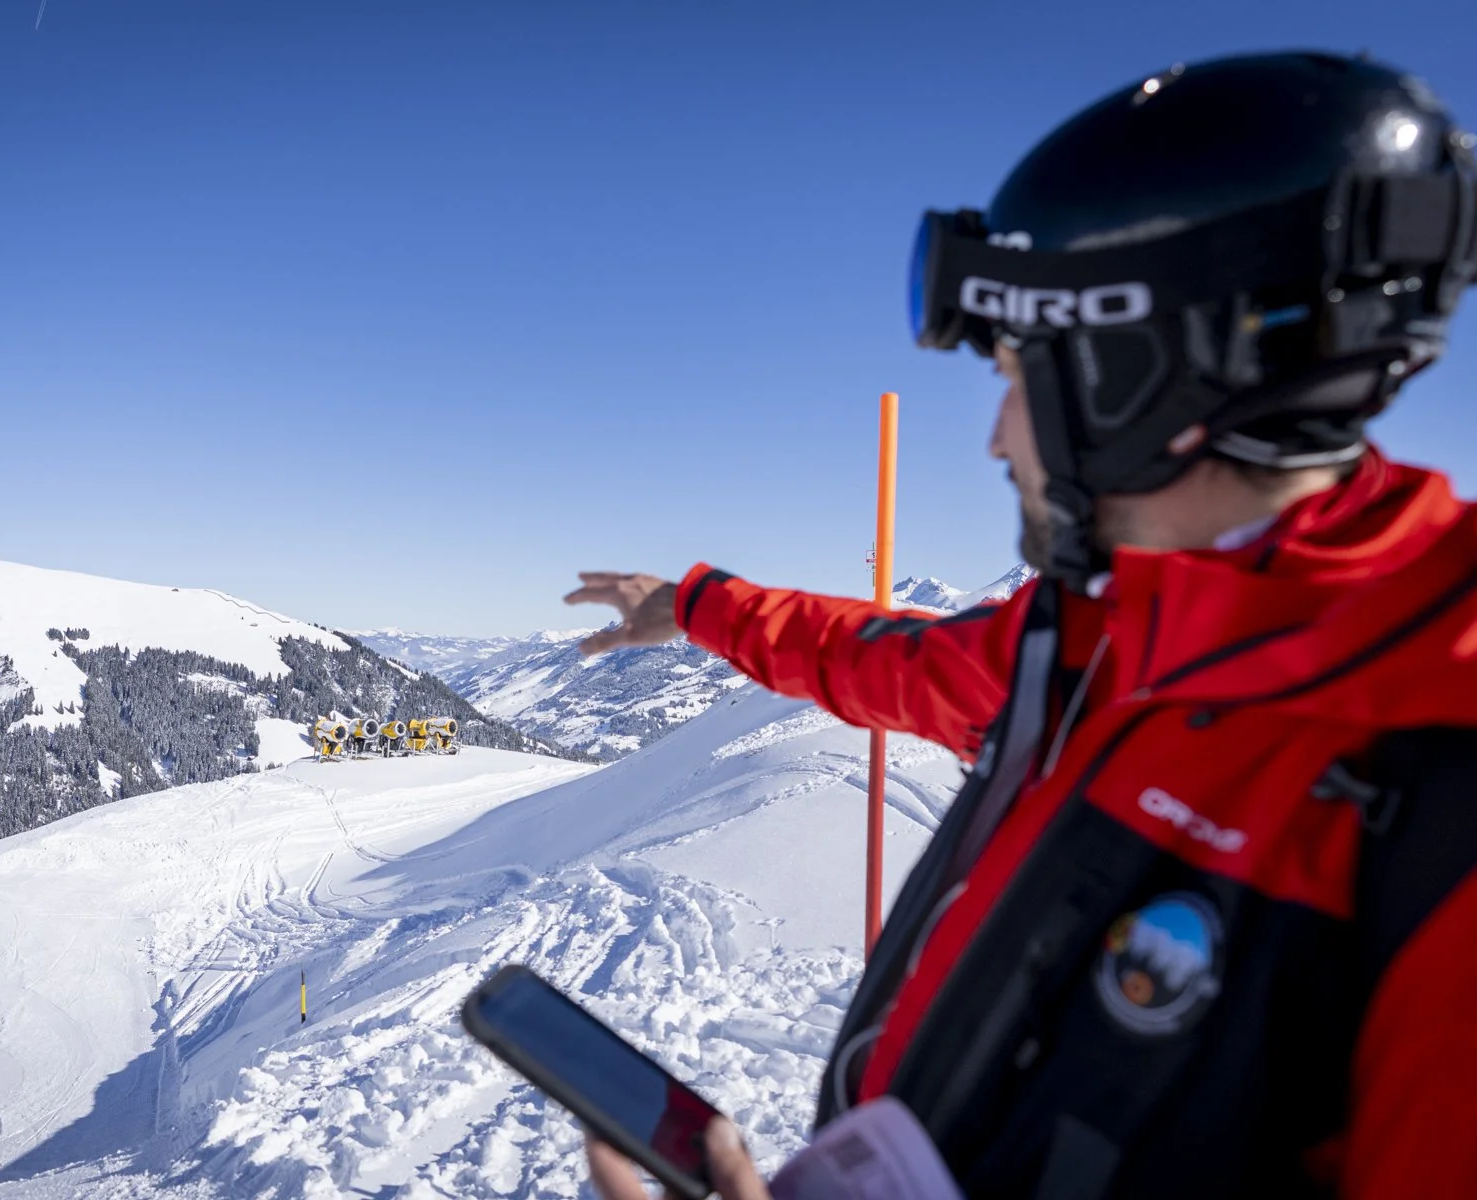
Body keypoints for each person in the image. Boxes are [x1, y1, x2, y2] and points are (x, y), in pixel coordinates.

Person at [566, 51, 1477, 1199]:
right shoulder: (1094, 636)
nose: (998, 439)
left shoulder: (1440, 768)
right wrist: (694, 606)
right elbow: (874, 660)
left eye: (1014, 374)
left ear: (1134, 378)